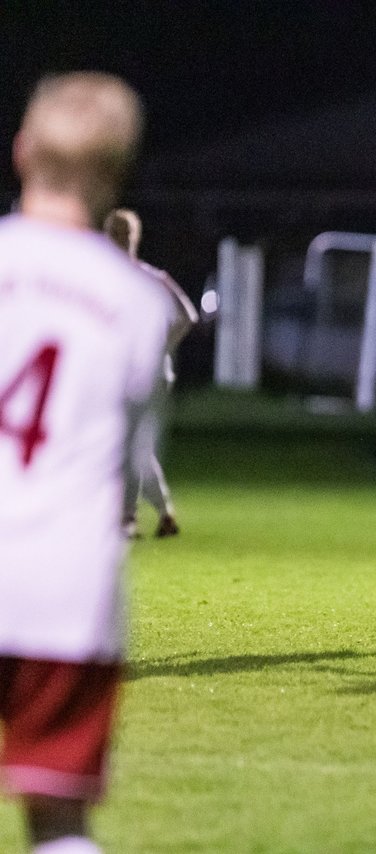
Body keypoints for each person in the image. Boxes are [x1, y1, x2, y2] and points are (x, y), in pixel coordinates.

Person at [0, 72, 168, 854]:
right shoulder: (135, 301)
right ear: (114, 177)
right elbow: (130, 457)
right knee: (59, 821)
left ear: (22, 151)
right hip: (64, 590)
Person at [103, 208, 197, 538]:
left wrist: (159, 344)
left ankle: (126, 518)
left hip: (148, 374)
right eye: (116, 234)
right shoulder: (107, 279)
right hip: (120, 374)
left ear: (135, 238)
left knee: (127, 446)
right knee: (134, 448)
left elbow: (187, 316)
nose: (119, 241)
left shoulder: (149, 277)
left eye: (124, 235)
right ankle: (164, 513)